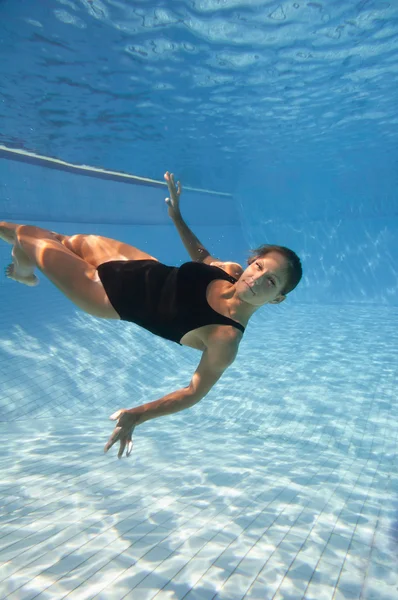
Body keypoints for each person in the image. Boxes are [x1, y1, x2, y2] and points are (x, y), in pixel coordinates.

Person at [0, 172, 302, 458]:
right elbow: (202, 257)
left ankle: (25, 270)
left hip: (105, 295)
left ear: (277, 298)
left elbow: (193, 392)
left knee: (28, 235)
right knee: (55, 238)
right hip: (136, 264)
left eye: (271, 282)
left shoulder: (226, 337)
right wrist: (177, 217)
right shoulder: (231, 270)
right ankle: (25, 270)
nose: (257, 279)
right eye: (259, 267)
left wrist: (139, 414)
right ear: (251, 262)